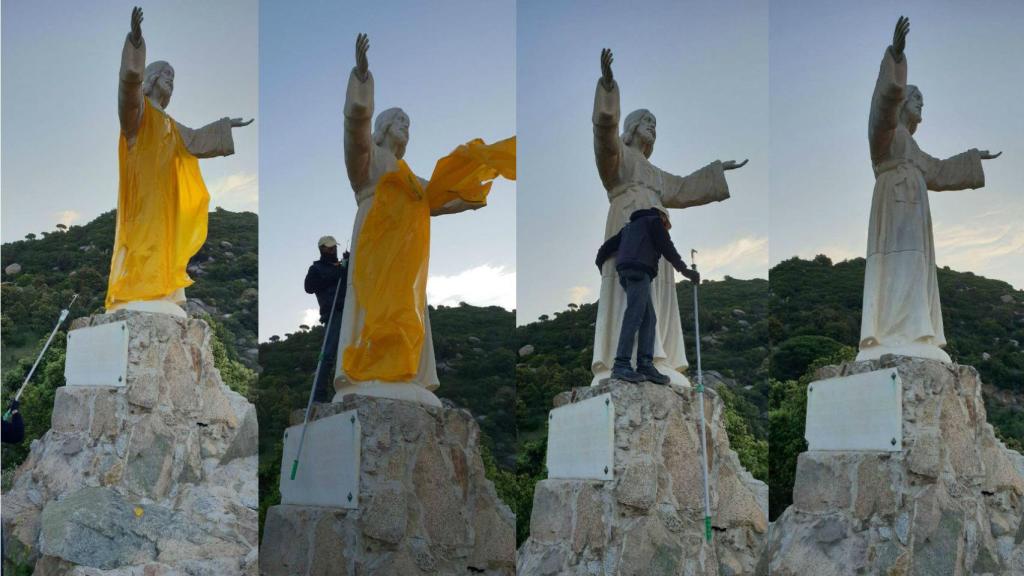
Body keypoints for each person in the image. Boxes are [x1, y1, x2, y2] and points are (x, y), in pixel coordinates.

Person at [590, 47, 746, 386]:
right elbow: (603, 136)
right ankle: (622, 361)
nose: (653, 128)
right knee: (630, 299)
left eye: (656, 125)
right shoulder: (618, 159)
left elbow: (685, 188)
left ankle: (653, 358)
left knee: (653, 298)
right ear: (631, 127)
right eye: (647, 121)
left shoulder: (656, 175)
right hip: (627, 229)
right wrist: (607, 91)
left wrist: (719, 170)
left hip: (655, 243)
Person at [858, 16, 1001, 362]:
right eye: (916, 98)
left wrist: (971, 159)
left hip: (913, 207)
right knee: (895, 264)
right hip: (894, 203)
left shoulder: (914, 151)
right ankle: (890, 332)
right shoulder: (887, 137)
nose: (921, 104)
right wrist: (895, 57)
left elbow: (937, 171)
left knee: (916, 266)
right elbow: (882, 110)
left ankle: (915, 331)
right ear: (903, 102)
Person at [596, 207, 699, 384]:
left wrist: (600, 265)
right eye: (666, 224)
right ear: (662, 217)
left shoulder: (629, 227)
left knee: (649, 318)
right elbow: (668, 248)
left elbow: (606, 248)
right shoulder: (654, 222)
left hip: (627, 271)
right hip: (639, 270)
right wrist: (686, 271)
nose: (666, 228)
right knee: (634, 315)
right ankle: (621, 364)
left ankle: (645, 364)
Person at [304, 236, 349, 403]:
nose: (333, 251)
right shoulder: (316, 268)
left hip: (349, 309)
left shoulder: (342, 265)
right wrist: (336, 273)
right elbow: (309, 287)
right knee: (328, 354)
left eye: (334, 248)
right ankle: (319, 395)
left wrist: (347, 263)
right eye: (329, 248)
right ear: (322, 249)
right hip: (333, 312)